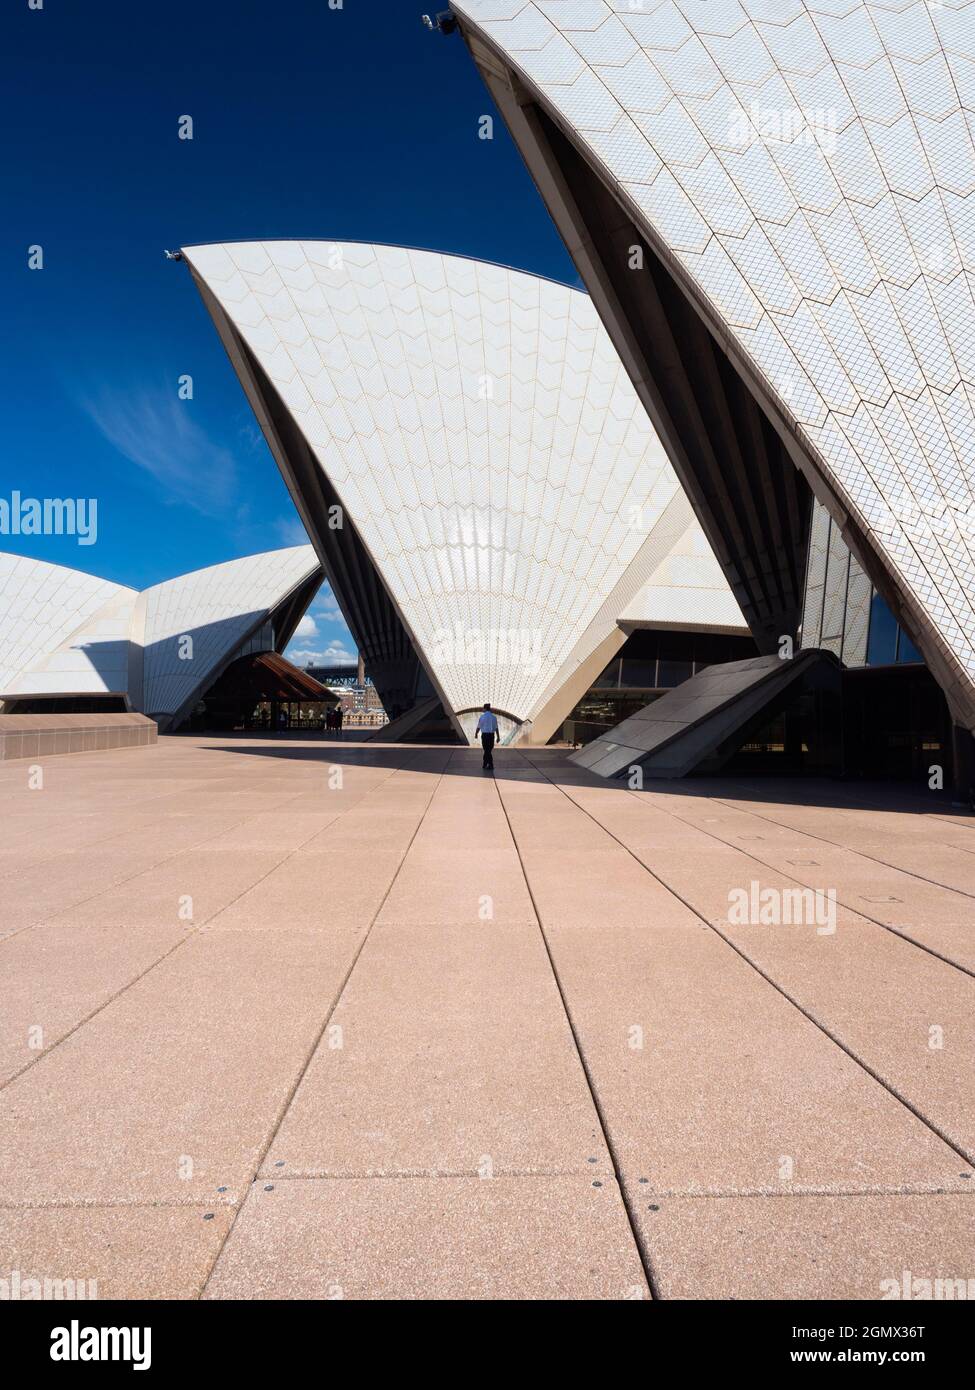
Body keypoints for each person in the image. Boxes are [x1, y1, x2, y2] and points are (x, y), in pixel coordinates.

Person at [475, 702, 499, 772]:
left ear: (485, 708)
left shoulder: (482, 717)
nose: (482, 709)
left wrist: (476, 733)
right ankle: (485, 764)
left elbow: (479, 726)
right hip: (491, 736)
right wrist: (498, 737)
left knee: (486, 750)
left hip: (485, 735)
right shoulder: (494, 717)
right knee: (488, 750)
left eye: (483, 708)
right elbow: (496, 727)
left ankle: (490, 764)